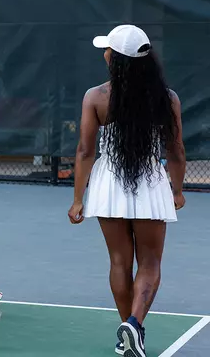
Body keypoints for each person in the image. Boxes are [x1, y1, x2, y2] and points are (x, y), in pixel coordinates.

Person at [68, 25, 186, 357]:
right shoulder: (168, 98)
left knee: (119, 262)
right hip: (151, 181)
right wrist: (176, 190)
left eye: (108, 50)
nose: (104, 53)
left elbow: (84, 151)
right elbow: (176, 150)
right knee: (150, 262)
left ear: (116, 58)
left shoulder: (96, 96)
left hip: (108, 184)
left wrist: (78, 198)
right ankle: (134, 325)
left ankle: (128, 333)